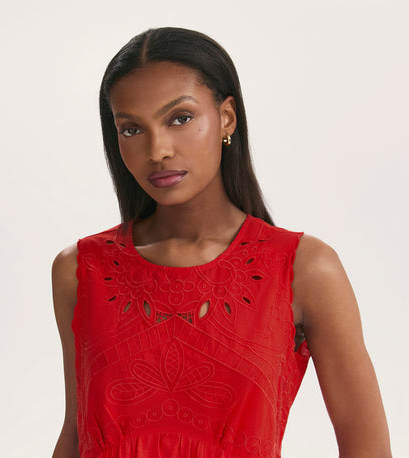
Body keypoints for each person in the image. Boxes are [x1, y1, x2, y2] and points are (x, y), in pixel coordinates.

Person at [51, 27, 392, 458]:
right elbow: (78, 433)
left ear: (227, 117)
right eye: (132, 129)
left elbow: (368, 448)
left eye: (180, 118)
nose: (158, 149)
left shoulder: (303, 268)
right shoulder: (81, 270)